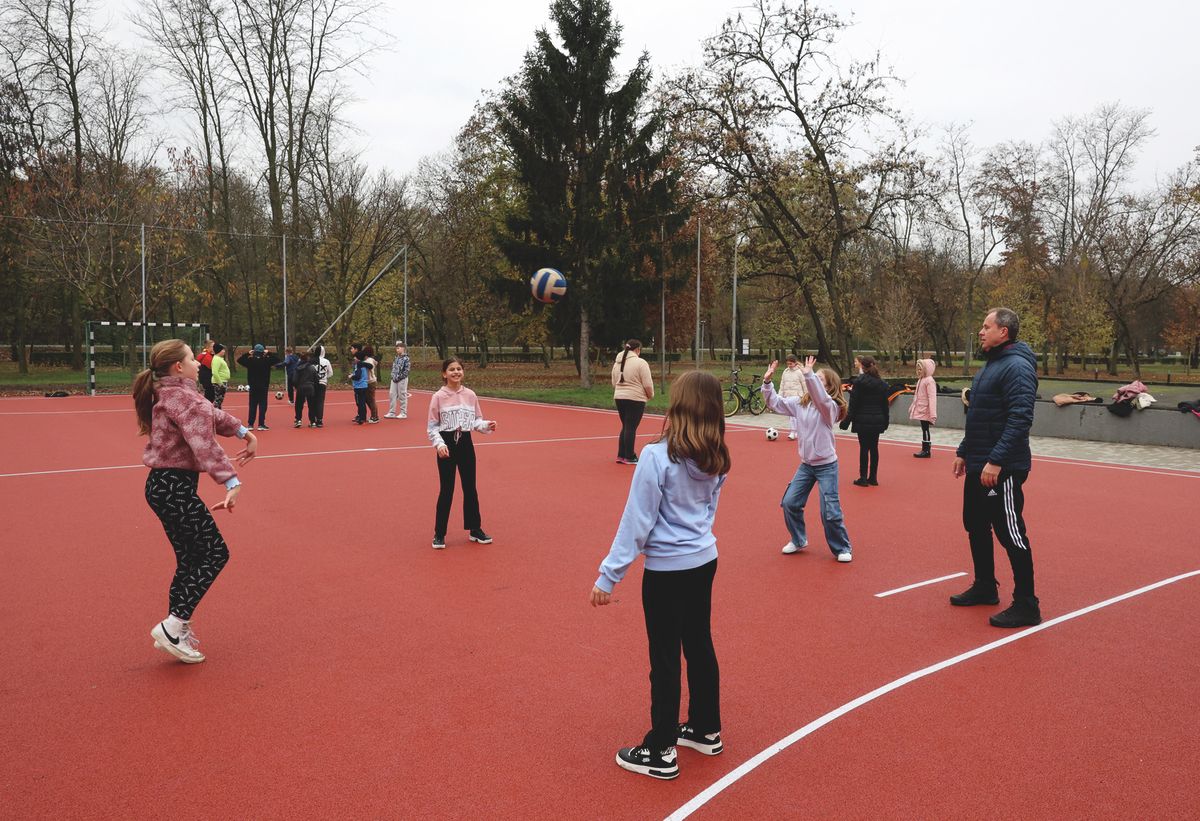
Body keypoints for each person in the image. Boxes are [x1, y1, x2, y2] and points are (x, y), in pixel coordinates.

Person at [590, 370, 730, 781]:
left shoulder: (657, 456)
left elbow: (637, 521)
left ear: (679, 405)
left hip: (668, 570)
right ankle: (706, 728)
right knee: (699, 643)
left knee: (665, 655)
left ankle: (660, 748)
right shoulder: (718, 454)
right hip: (703, 560)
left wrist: (608, 575)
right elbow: (708, 512)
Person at [133, 339, 257, 664]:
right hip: (175, 487)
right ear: (178, 367)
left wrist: (244, 431)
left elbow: (210, 414)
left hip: (161, 487)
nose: (197, 363)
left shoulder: (171, 392)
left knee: (191, 558)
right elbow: (205, 444)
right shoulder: (186, 398)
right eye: (191, 358)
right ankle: (173, 625)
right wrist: (231, 481)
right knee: (215, 553)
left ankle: (177, 625)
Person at [952, 308, 1041, 628]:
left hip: (1001, 466)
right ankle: (986, 586)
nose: (980, 331)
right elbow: (979, 415)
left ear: (1004, 332)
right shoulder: (992, 364)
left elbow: (1020, 419)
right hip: (979, 461)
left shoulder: (1016, 367)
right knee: (974, 523)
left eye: (986, 326)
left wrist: (997, 461)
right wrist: (965, 451)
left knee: (1010, 531)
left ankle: (1027, 604)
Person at [762, 356, 853, 562]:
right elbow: (775, 403)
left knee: (829, 510)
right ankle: (798, 539)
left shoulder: (831, 408)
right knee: (790, 503)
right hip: (806, 465)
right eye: (814, 378)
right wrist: (768, 383)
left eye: (820, 380)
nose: (812, 380)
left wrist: (810, 375)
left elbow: (821, 399)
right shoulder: (800, 403)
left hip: (827, 465)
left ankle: (842, 547)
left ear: (829, 387)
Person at [427, 356, 496, 549]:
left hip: (465, 443)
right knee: (447, 490)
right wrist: (439, 445)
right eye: (451, 369)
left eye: (459, 369)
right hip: (446, 446)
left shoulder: (471, 395)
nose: (456, 372)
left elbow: (475, 421)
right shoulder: (438, 397)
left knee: (470, 488)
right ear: (444, 374)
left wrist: (487, 425)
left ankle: (475, 529)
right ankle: (439, 534)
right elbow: (432, 426)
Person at [842, 355, 890, 487]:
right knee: (874, 447)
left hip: (862, 419)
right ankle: (873, 477)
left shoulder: (858, 383)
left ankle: (863, 477)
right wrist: (886, 421)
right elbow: (885, 406)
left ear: (862, 366)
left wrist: (846, 421)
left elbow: (854, 405)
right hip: (877, 418)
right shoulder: (882, 384)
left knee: (864, 448)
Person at [611, 339, 655, 465]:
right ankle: (630, 455)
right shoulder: (641, 363)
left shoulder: (617, 362)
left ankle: (621, 454)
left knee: (626, 425)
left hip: (619, 397)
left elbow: (614, 382)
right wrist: (650, 395)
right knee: (631, 427)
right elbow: (647, 383)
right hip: (635, 398)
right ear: (637, 349)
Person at [236, 344, 281, 430]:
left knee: (252, 405)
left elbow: (239, 360)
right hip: (263, 385)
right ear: (262, 351)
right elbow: (277, 359)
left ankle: (250, 424)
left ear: (254, 351)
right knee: (263, 405)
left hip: (253, 385)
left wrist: (247, 354)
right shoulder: (266, 360)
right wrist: (269, 353)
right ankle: (261, 424)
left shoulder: (250, 360)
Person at [909, 358, 938, 458]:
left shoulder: (929, 381)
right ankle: (925, 449)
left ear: (926, 369)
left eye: (920, 369)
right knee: (924, 428)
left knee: (925, 429)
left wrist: (933, 414)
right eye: (917, 369)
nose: (918, 371)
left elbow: (932, 398)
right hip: (921, 408)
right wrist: (913, 406)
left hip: (925, 409)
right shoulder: (921, 380)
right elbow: (917, 396)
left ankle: (926, 450)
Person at [778, 354, 808, 441]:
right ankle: (793, 431)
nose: (789, 365)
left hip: (798, 396)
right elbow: (782, 384)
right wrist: (780, 396)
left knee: (798, 415)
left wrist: (806, 396)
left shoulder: (799, 372)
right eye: (788, 364)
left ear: (795, 363)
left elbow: (804, 384)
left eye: (791, 363)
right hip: (788, 396)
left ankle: (798, 431)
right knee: (791, 415)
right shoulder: (785, 372)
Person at [292, 350, 318, 428]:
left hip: (301, 387)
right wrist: (314, 386)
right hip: (310, 387)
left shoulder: (298, 368)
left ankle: (298, 420)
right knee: (311, 405)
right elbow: (316, 379)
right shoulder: (312, 368)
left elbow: (294, 380)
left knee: (299, 405)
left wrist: (296, 386)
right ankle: (312, 421)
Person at [385, 341, 411, 419]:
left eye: (398, 348)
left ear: (403, 348)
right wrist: (393, 376)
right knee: (392, 394)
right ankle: (391, 412)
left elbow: (407, 370)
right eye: (396, 348)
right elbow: (394, 368)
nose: (397, 350)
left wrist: (400, 377)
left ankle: (403, 413)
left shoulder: (406, 358)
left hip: (402, 379)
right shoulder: (396, 358)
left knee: (402, 395)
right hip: (394, 379)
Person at [350, 348, 374, 424]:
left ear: (358, 358)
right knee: (362, 402)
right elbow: (370, 366)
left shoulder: (358, 366)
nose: (354, 358)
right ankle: (363, 417)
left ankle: (361, 418)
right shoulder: (363, 364)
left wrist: (351, 376)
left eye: (355, 357)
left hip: (359, 386)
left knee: (359, 403)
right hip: (364, 385)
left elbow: (357, 376)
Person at [311, 345, 331, 428]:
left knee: (312, 402)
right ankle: (319, 420)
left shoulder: (311, 361)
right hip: (322, 383)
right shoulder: (326, 361)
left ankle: (313, 421)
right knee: (320, 402)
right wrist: (324, 377)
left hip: (312, 383)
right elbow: (331, 373)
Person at [363, 344, 380, 423]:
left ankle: (375, 416)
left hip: (370, 382)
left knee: (371, 400)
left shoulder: (369, 360)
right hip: (368, 381)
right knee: (367, 399)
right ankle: (374, 415)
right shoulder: (368, 360)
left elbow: (369, 367)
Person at [210, 343, 230, 409]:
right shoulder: (216, 359)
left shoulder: (219, 358)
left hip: (222, 381)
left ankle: (218, 414)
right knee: (218, 400)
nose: (224, 351)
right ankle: (215, 414)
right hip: (219, 382)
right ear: (219, 350)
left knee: (219, 400)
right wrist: (220, 383)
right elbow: (215, 372)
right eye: (222, 350)